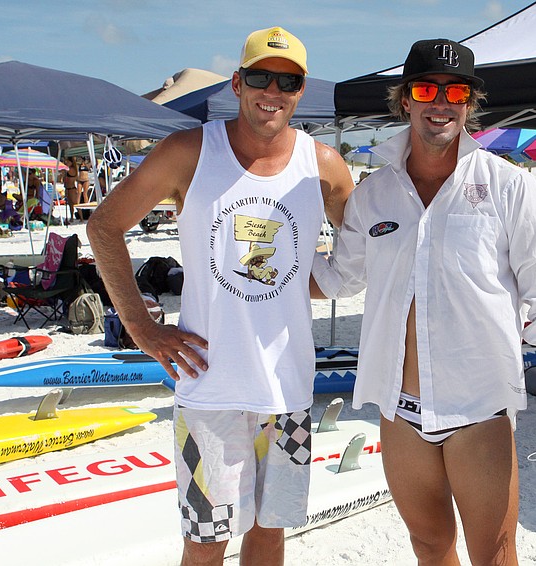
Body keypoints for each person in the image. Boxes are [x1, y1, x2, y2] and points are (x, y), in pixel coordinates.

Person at [311, 39, 536, 565]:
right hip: (401, 411)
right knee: (430, 546)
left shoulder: (509, 188)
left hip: (478, 410)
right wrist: (257, 272)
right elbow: (338, 279)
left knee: (494, 555)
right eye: (426, 89)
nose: (441, 102)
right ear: (405, 101)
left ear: (470, 103)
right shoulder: (373, 194)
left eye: (456, 90)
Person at [86, 26, 353, 566]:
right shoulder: (188, 151)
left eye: (288, 81)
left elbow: (359, 257)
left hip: (289, 390)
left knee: (270, 533)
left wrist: (305, 279)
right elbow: (104, 226)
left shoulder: (323, 166)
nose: (272, 91)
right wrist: (139, 325)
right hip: (209, 388)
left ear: (301, 91)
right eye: (260, 76)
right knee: (206, 543)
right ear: (237, 82)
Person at [63, 157, 81, 222]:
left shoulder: (71, 169)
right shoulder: (69, 169)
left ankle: (81, 218)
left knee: (75, 204)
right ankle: (72, 217)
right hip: (68, 188)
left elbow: (63, 169)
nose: (66, 163)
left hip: (72, 188)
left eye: (67, 162)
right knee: (70, 204)